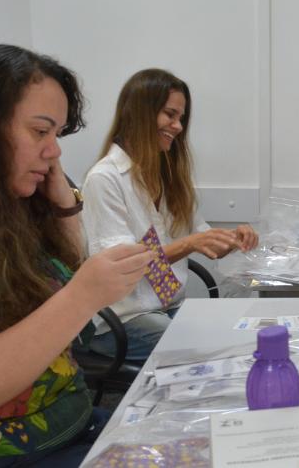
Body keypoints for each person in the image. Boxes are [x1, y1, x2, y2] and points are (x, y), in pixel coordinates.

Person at [0, 44, 154, 465]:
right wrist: (83, 296)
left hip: (73, 426)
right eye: (40, 131)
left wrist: (65, 206)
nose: (54, 152)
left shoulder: (7, 209)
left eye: (57, 135)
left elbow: (62, 277)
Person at [83, 68, 259, 361]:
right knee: (210, 352)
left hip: (168, 308)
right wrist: (189, 244)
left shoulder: (166, 177)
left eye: (181, 118)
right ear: (140, 113)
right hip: (124, 321)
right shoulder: (104, 179)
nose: (177, 126)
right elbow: (122, 267)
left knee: (233, 335)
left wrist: (233, 239)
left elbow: (204, 240)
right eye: (170, 115)